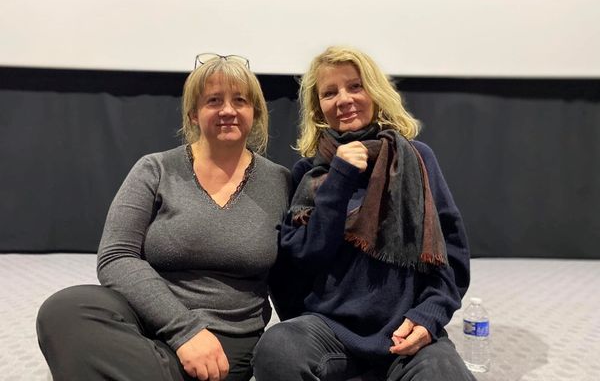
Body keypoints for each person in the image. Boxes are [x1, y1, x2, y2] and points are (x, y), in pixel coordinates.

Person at [36, 53, 290, 381]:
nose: (227, 110)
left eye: (239, 100)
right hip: (148, 320)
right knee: (65, 310)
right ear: (194, 114)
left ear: (255, 112)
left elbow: (294, 273)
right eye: (214, 100)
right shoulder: (154, 169)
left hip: (224, 342)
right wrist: (183, 330)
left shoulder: (280, 182)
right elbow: (116, 256)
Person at [253, 46, 476, 381]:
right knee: (277, 349)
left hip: (406, 331)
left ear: (375, 91)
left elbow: (451, 257)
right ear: (319, 108)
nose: (344, 99)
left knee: (444, 374)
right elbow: (302, 258)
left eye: (355, 86)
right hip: (330, 332)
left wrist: (428, 318)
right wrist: (339, 179)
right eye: (330, 93)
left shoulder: (417, 159)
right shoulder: (308, 174)